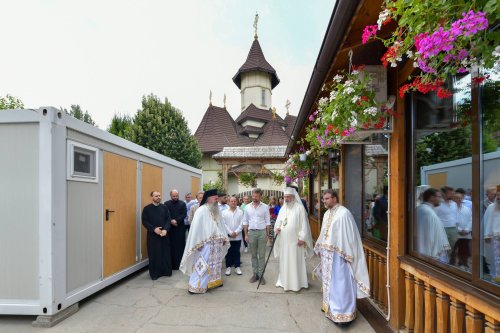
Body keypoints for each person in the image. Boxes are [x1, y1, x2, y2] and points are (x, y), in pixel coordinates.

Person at [314, 190, 370, 325]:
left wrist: (348, 254)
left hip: (340, 256)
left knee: (341, 285)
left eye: (327, 198)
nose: (324, 201)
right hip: (328, 255)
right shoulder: (327, 213)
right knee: (330, 284)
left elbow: (349, 236)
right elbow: (324, 233)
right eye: (323, 199)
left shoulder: (344, 213)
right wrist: (320, 247)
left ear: (334, 198)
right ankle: (330, 308)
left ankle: (344, 315)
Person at [180, 189, 229, 294]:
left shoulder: (216, 209)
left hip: (216, 244)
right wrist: (197, 243)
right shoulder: (201, 210)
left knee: (215, 265)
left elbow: (221, 225)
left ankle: (214, 282)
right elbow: (196, 228)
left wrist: (224, 238)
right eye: (215, 198)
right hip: (204, 244)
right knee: (202, 265)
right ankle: (196, 286)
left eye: (217, 198)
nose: (217, 199)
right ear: (208, 198)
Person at [274, 187, 313, 291]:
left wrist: (302, 238)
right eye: (285, 197)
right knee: (285, 261)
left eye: (288, 197)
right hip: (283, 241)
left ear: (293, 197)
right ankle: (284, 281)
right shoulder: (282, 208)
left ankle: (297, 284)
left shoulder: (299, 208)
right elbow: (278, 222)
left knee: (295, 262)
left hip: (295, 241)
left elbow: (304, 225)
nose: (286, 199)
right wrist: (277, 228)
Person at [141, 191, 172, 280]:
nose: (158, 197)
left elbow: (168, 219)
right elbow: (145, 221)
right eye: (156, 196)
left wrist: (166, 229)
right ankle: (155, 273)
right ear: (152, 197)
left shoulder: (164, 207)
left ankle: (166, 271)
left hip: (164, 234)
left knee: (165, 253)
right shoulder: (147, 209)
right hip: (153, 236)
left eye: (159, 196)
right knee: (154, 254)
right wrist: (154, 229)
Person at [243, 188, 270, 284]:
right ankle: (255, 274)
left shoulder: (265, 207)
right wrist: (246, 234)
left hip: (262, 233)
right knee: (253, 255)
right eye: (253, 196)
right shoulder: (247, 207)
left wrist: (267, 235)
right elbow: (245, 221)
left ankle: (261, 275)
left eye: (256, 196)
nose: (254, 198)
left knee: (262, 255)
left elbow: (267, 222)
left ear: (260, 196)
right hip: (251, 233)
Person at [416, 188, 450, 263]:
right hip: (429, 255)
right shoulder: (427, 212)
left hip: (425, 252)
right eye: (439, 197)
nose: (441, 199)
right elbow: (429, 236)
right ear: (432, 198)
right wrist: (433, 255)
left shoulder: (422, 209)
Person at [165, 189, 187, 270]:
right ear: (170, 196)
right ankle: (171, 264)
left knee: (180, 246)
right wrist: (171, 221)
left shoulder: (182, 203)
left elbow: (184, 214)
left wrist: (176, 220)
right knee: (170, 246)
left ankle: (179, 264)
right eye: (173, 196)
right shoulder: (166, 204)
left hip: (179, 228)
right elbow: (165, 214)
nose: (175, 197)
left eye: (176, 196)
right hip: (170, 228)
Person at [222, 196, 244, 276]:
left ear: (237, 202)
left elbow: (242, 223)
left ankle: (237, 267)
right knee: (228, 252)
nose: (233, 202)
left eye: (235, 201)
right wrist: (230, 232)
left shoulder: (240, 212)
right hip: (228, 236)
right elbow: (223, 224)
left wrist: (236, 232)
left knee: (237, 252)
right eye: (231, 201)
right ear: (228, 202)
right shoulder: (224, 212)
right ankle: (228, 267)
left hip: (237, 236)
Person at [451, 190, 472, 269]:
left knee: (465, 250)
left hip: (466, 233)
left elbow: (471, 219)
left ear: (462, 198)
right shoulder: (452, 209)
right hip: (456, 233)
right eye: (456, 198)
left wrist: (467, 229)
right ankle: (452, 264)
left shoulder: (467, 209)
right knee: (453, 250)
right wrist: (459, 230)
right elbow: (452, 221)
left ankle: (463, 264)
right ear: (453, 199)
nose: (459, 200)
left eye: (460, 198)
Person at [484, 185, 500, 282]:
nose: (499, 197)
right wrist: (487, 234)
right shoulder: (490, 207)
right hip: (495, 237)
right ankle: (495, 277)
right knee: (495, 258)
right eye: (497, 195)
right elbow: (487, 221)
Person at [434, 186, 458, 251]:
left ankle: (452, 260)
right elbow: (434, 217)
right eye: (450, 193)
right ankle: (445, 260)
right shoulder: (438, 204)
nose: (452, 195)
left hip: (453, 229)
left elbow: (456, 216)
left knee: (454, 248)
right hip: (443, 229)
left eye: (452, 193)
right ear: (444, 194)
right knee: (444, 248)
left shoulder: (454, 204)